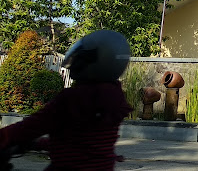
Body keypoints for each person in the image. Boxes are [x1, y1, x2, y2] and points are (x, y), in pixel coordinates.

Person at [0, 30, 133, 170]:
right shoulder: (114, 99)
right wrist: (37, 144)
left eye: (81, 57)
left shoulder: (73, 99)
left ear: (92, 61)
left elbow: (31, 126)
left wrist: (5, 136)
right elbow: (80, 142)